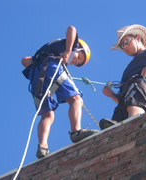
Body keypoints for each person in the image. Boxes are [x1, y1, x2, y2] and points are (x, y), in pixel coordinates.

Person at [21, 26, 99, 159]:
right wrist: (68, 51)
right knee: (76, 99)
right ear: (78, 47)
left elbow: (25, 61)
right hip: (51, 68)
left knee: (47, 115)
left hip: (36, 78)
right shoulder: (71, 45)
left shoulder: (45, 53)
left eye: (77, 62)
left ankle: (42, 146)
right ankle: (76, 131)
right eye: (78, 57)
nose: (75, 61)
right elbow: (71, 29)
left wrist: (41, 59)